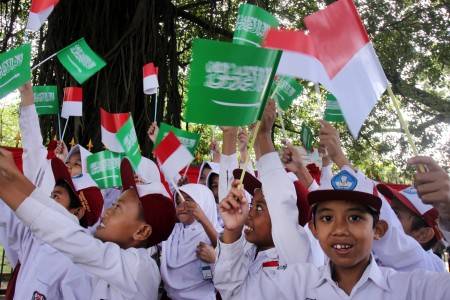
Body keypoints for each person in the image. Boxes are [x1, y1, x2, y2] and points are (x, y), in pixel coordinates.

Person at [214, 164, 450, 299]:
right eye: (327, 218)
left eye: (355, 217)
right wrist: (232, 231)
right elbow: (234, 293)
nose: (339, 229)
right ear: (314, 229)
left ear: (378, 230)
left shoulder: (410, 289)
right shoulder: (297, 281)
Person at [0, 151, 177, 299]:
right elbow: (63, 218)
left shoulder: (141, 270)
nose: (107, 212)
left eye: (117, 207)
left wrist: (4, 187)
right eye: (113, 203)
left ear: (142, 231)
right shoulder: (105, 255)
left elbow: (71, 236)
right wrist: (15, 177)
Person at [160, 184, 220, 299]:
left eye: (187, 201)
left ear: (203, 202)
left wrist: (203, 218)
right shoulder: (172, 231)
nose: (181, 207)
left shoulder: (214, 234)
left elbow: (227, 260)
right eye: (178, 202)